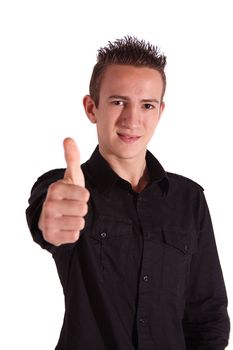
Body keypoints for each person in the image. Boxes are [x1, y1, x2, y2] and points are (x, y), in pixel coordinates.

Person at [26, 36, 230, 349]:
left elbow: (207, 315)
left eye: (146, 105)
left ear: (160, 111)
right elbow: (48, 212)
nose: (132, 120)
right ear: (92, 108)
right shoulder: (66, 188)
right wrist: (51, 221)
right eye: (118, 102)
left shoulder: (189, 199)